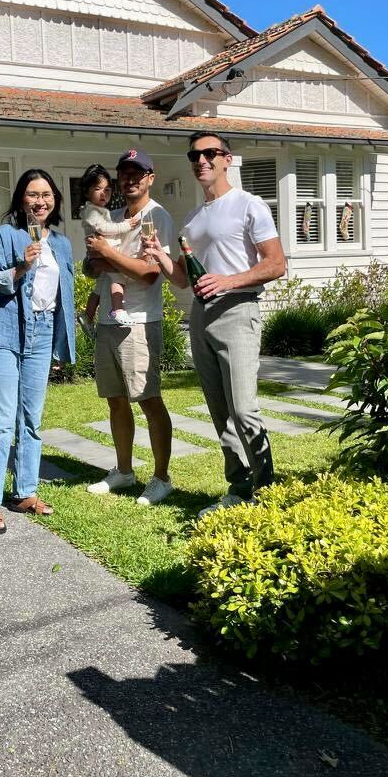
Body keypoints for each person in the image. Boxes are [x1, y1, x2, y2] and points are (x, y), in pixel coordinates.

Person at [144, 131, 287, 516]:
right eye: (194, 155)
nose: (201, 160)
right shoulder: (192, 218)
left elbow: (276, 263)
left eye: (210, 153)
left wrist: (229, 280)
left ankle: (269, 492)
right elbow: (183, 278)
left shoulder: (248, 205)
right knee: (220, 412)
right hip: (201, 314)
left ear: (227, 159)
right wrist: (160, 255)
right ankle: (239, 490)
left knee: (243, 409)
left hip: (238, 311)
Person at [0, 168, 76, 533]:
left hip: (43, 332)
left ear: (55, 201)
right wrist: (21, 267)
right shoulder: (6, 235)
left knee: (31, 419)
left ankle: (25, 492)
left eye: (46, 195)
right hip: (5, 332)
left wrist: (64, 344)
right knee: (0, 421)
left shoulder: (62, 244)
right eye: (33, 195)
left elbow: (65, 296)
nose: (40, 201)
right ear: (21, 199)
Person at [83, 149, 175, 506]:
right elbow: (91, 267)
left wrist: (108, 254)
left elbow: (152, 274)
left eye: (139, 173)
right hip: (108, 319)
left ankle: (162, 477)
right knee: (116, 401)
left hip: (138, 323)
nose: (131, 179)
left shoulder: (157, 216)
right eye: (125, 173)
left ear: (151, 177)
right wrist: (99, 258)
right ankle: (123, 470)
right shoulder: (112, 216)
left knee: (149, 400)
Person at [78, 163, 141, 332]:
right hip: (100, 253)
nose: (103, 193)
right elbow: (104, 229)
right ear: (87, 191)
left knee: (100, 287)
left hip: (100, 252)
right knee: (118, 277)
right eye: (98, 189)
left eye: (107, 190)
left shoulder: (100, 210)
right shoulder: (91, 211)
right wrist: (126, 226)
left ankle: (88, 316)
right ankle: (118, 309)